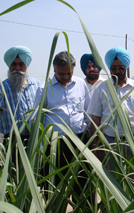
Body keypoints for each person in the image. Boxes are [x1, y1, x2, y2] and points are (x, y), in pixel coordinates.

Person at [34, 51, 92, 206]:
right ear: (54, 70)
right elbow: (36, 119)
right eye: (62, 74)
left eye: (69, 73)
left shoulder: (80, 84)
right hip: (54, 144)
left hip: (79, 141)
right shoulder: (43, 88)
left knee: (83, 184)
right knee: (54, 187)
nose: (66, 77)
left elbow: (87, 111)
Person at [87, 47, 134, 171]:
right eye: (114, 68)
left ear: (126, 68)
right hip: (109, 142)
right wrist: (96, 145)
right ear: (109, 68)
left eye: (121, 68)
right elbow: (95, 118)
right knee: (113, 179)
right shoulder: (101, 88)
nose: (117, 71)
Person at [0, 46, 41, 142]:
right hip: (13, 141)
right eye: (13, 64)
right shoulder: (2, 87)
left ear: (26, 65)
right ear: (9, 66)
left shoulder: (37, 84)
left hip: (35, 139)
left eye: (21, 64)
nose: (17, 68)